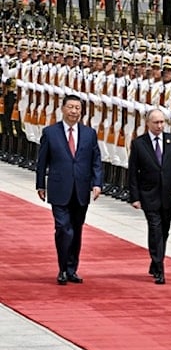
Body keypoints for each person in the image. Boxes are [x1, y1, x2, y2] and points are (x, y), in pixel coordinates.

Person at [35, 94, 103, 285]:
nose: (74, 111)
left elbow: (96, 161)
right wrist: (40, 184)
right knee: (64, 229)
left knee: (76, 230)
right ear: (63, 109)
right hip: (59, 188)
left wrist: (97, 183)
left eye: (78, 108)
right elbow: (42, 161)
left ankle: (72, 269)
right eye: (71, 107)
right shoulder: (50, 132)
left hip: (81, 189)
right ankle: (62, 267)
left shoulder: (89, 133)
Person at [128, 109, 171, 284]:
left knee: (164, 231)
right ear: (148, 123)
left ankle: (155, 262)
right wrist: (135, 197)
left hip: (169, 194)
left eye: (162, 122)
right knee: (155, 229)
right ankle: (160, 267)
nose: (160, 126)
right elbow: (133, 172)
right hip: (149, 195)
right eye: (156, 122)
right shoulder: (139, 144)